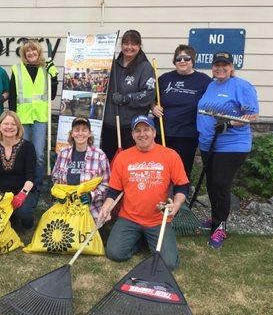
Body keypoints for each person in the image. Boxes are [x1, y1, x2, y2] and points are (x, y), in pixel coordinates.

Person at [98, 115, 189, 270]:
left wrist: (177, 204)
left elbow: (182, 186)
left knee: (168, 264)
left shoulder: (170, 155)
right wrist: (106, 207)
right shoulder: (123, 158)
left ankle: (146, 238)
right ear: (133, 135)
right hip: (129, 218)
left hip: (158, 219)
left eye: (146, 129)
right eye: (137, 131)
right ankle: (139, 241)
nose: (142, 134)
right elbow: (114, 190)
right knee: (114, 253)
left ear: (154, 132)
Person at [197, 52, 259, 249]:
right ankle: (215, 219)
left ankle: (221, 226)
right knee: (212, 185)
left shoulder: (241, 86)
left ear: (232, 67)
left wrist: (229, 124)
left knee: (221, 184)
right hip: (209, 143)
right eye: (216, 65)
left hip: (232, 145)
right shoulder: (212, 84)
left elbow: (253, 115)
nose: (220, 68)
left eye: (225, 65)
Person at [152, 44, 212, 178]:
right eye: (179, 59)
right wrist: (153, 107)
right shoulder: (164, 79)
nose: (182, 61)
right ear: (174, 61)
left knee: (182, 171)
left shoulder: (204, 81)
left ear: (193, 61)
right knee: (160, 170)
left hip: (187, 136)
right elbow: (151, 99)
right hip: (162, 133)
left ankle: (180, 197)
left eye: (186, 58)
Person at [8, 40, 58, 191]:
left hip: (40, 118)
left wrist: (54, 76)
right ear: (24, 54)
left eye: (33, 51)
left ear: (38, 52)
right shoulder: (17, 69)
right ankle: (24, 183)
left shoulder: (45, 69)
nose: (31, 53)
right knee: (22, 151)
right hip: (22, 117)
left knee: (38, 153)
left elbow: (52, 95)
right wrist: (12, 118)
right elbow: (12, 95)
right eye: (27, 51)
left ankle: (36, 185)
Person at [101, 29, 156, 161]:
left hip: (129, 127)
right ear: (121, 45)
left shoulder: (145, 67)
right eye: (126, 43)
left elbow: (149, 93)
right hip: (109, 124)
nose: (129, 47)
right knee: (108, 163)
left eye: (133, 44)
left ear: (139, 46)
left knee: (129, 163)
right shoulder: (112, 64)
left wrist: (127, 98)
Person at [0, 111, 38, 230]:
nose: (9, 127)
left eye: (13, 124)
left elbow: (31, 177)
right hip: (2, 192)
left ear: (18, 127)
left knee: (24, 213)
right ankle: (11, 216)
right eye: (6, 123)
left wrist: (22, 195)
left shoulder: (28, 147)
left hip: (23, 192)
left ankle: (28, 220)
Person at [51, 117, 110, 219]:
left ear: (89, 133)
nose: (80, 133)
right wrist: (59, 194)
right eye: (77, 130)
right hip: (66, 207)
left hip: (89, 209)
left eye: (84, 130)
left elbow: (106, 184)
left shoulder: (100, 155)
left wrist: (91, 195)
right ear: (72, 133)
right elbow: (55, 178)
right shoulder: (63, 153)